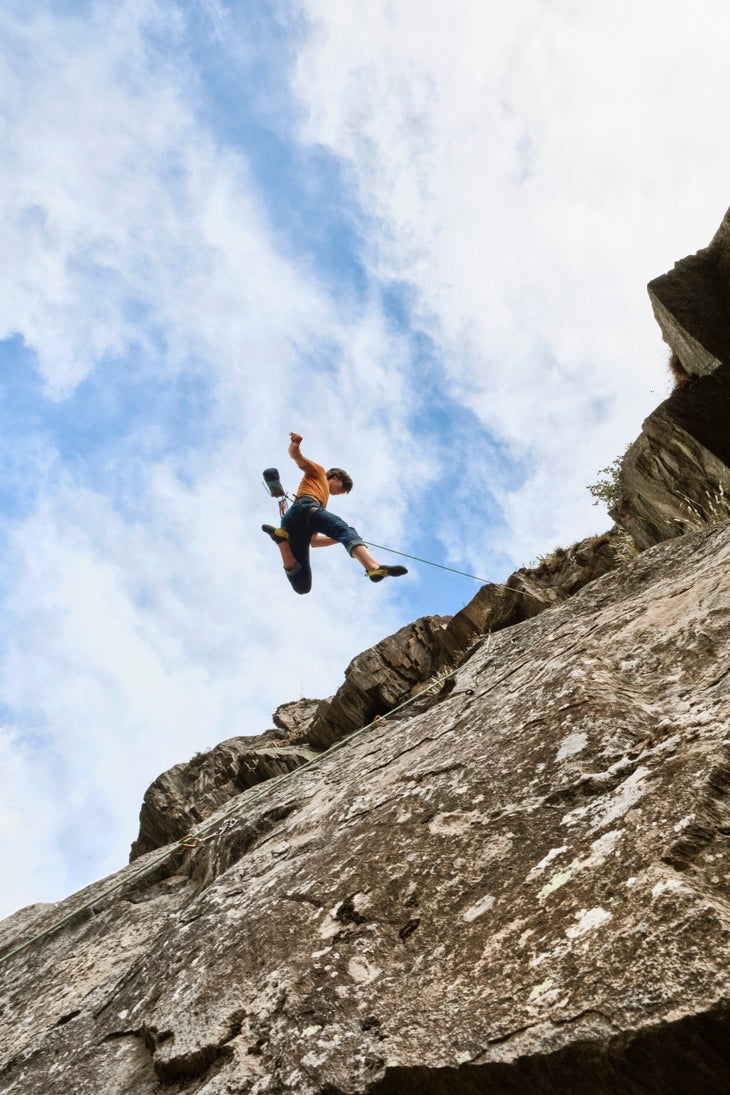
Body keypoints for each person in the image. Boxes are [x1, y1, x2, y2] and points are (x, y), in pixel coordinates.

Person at [262, 432, 408, 595]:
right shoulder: (318, 472)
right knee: (348, 530)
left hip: (293, 526)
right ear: (336, 477)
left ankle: (281, 539)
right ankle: (373, 567)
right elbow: (296, 456)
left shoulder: (322, 501)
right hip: (305, 507)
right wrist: (295, 444)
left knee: (302, 586)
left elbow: (315, 541)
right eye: (341, 488)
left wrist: (341, 538)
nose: (338, 493)